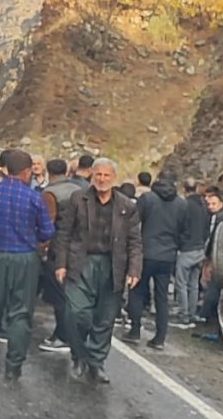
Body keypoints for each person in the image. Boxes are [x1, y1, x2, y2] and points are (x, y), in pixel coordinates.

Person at [0, 150, 56, 380]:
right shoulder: (34, 197)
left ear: (5, 169)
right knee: (20, 312)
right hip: (25, 258)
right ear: (26, 172)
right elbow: (47, 231)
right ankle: (14, 365)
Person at [54, 158, 142, 384]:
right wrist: (61, 264)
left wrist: (134, 269)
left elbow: (135, 241)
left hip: (113, 266)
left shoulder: (126, 206)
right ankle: (79, 356)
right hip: (81, 263)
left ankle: (96, 362)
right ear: (92, 176)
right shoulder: (77, 199)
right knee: (77, 314)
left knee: (105, 318)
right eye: (98, 175)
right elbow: (64, 233)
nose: (102, 180)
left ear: (114, 178)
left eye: (106, 176)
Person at [125, 173, 186, 349]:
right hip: (168, 255)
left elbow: (135, 222)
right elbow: (183, 229)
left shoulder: (147, 198)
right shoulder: (181, 204)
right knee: (162, 298)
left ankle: (135, 331)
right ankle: (160, 338)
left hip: (146, 251)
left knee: (137, 291)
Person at [37, 158, 78, 353]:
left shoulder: (49, 193)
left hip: (57, 248)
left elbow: (48, 223)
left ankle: (63, 335)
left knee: (58, 295)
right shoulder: (78, 189)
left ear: (48, 171)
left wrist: (42, 249)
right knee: (70, 294)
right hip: (76, 247)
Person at [174, 177, 208, 328]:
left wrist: (179, 243)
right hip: (200, 249)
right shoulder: (203, 205)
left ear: (184, 189)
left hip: (186, 249)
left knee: (181, 283)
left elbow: (180, 227)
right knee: (194, 284)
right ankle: (193, 313)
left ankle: (184, 314)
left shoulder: (184, 205)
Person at [198, 189, 223, 323]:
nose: (211, 207)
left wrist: (208, 254)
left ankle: (207, 312)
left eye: (214, 204)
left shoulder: (222, 218)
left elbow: (214, 239)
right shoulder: (211, 216)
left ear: (221, 204)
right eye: (209, 204)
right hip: (212, 253)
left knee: (211, 282)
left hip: (216, 255)